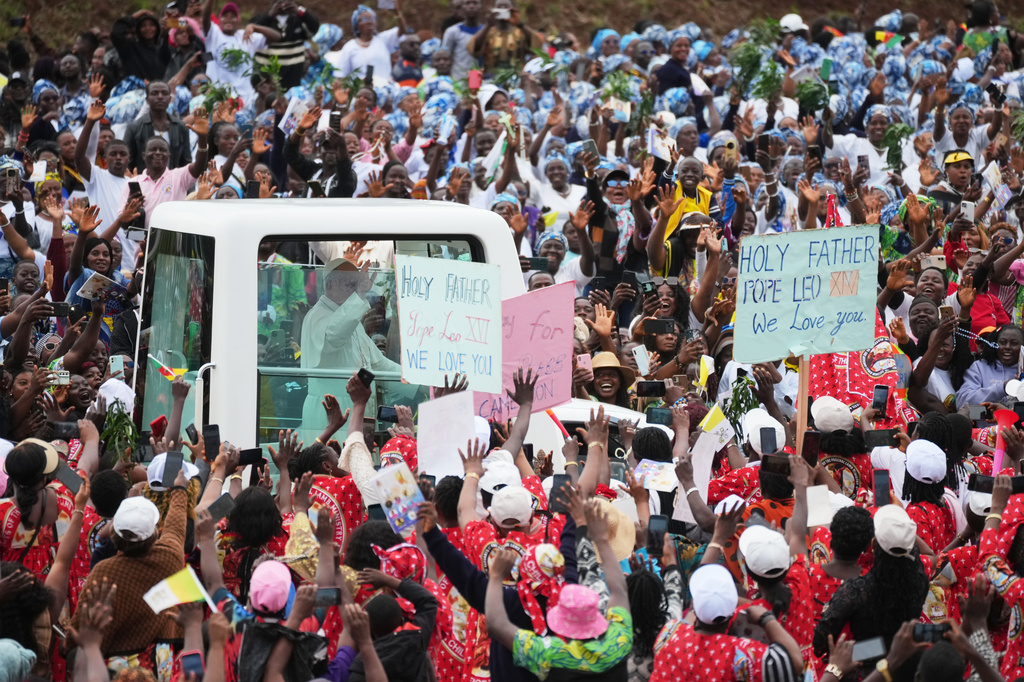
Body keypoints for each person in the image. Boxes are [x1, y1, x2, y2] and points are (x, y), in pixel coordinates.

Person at [298, 258, 398, 442]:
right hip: (330, 412)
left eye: (356, 284)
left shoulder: (351, 319)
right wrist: (360, 294)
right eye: (349, 284)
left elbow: (379, 364)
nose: (354, 289)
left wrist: (417, 380)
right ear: (329, 284)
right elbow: (333, 337)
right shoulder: (317, 316)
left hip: (355, 408)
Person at [123, 81, 192, 171]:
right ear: (147, 99)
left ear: (169, 98)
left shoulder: (181, 127)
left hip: (173, 183)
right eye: (155, 93)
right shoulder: (134, 127)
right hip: (144, 182)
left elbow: (186, 163)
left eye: (164, 93)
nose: (160, 97)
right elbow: (127, 162)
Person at [441, 0, 483, 80]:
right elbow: (445, 56)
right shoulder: (452, 32)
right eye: (467, 3)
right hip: (459, 80)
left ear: (481, 6)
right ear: (462, 7)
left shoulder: (487, 31)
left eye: (475, 3)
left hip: (483, 79)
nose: (471, 6)